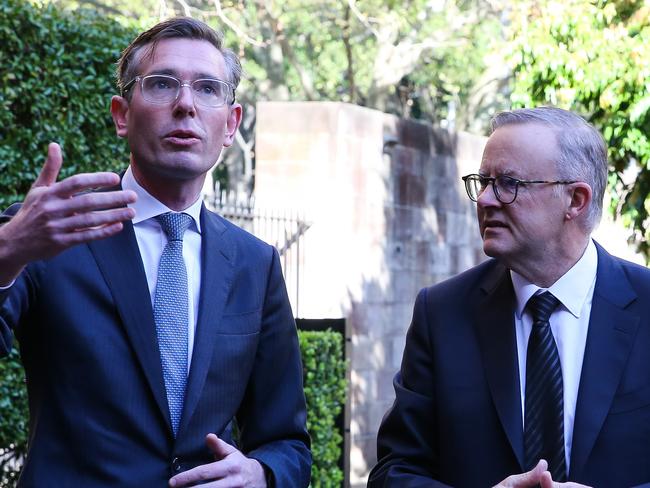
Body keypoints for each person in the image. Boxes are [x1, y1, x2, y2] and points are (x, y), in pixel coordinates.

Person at [0, 17, 310, 487]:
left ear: (231, 124)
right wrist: (7, 248)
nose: (185, 105)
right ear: (122, 114)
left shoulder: (255, 263)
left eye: (208, 88)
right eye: (163, 84)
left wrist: (262, 474)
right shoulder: (48, 233)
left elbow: (288, 442)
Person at [368, 107, 650, 487]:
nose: (485, 200)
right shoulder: (442, 313)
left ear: (576, 200)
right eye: (483, 182)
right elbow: (393, 472)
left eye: (508, 183)